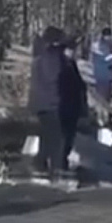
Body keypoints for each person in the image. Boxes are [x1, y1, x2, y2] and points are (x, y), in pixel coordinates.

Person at [28, 26, 67, 180]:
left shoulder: (41, 54)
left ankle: (41, 164)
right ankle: (53, 168)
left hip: (42, 101)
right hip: (49, 102)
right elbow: (53, 77)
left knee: (47, 135)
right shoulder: (50, 57)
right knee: (56, 137)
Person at [59, 37, 89, 172]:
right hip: (65, 104)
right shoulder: (62, 64)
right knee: (64, 135)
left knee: (69, 135)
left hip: (73, 105)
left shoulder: (71, 64)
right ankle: (60, 161)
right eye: (71, 50)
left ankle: (63, 159)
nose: (73, 52)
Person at [91, 27, 112, 104]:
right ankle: (103, 114)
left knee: (100, 97)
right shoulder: (105, 46)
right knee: (104, 99)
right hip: (106, 75)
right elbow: (109, 59)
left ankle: (101, 113)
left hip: (99, 74)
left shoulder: (97, 45)